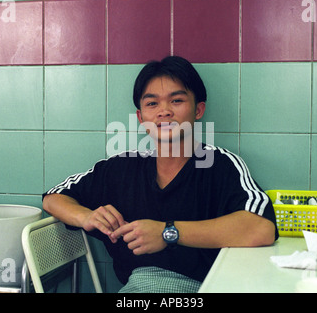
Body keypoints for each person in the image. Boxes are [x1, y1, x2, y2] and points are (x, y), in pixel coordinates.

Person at [43, 56, 278, 293]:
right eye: (152, 104)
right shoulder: (121, 167)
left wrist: (168, 233)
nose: (164, 112)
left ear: (198, 110)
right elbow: (53, 198)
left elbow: (261, 228)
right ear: (140, 117)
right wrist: (86, 217)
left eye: (176, 100)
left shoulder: (220, 165)